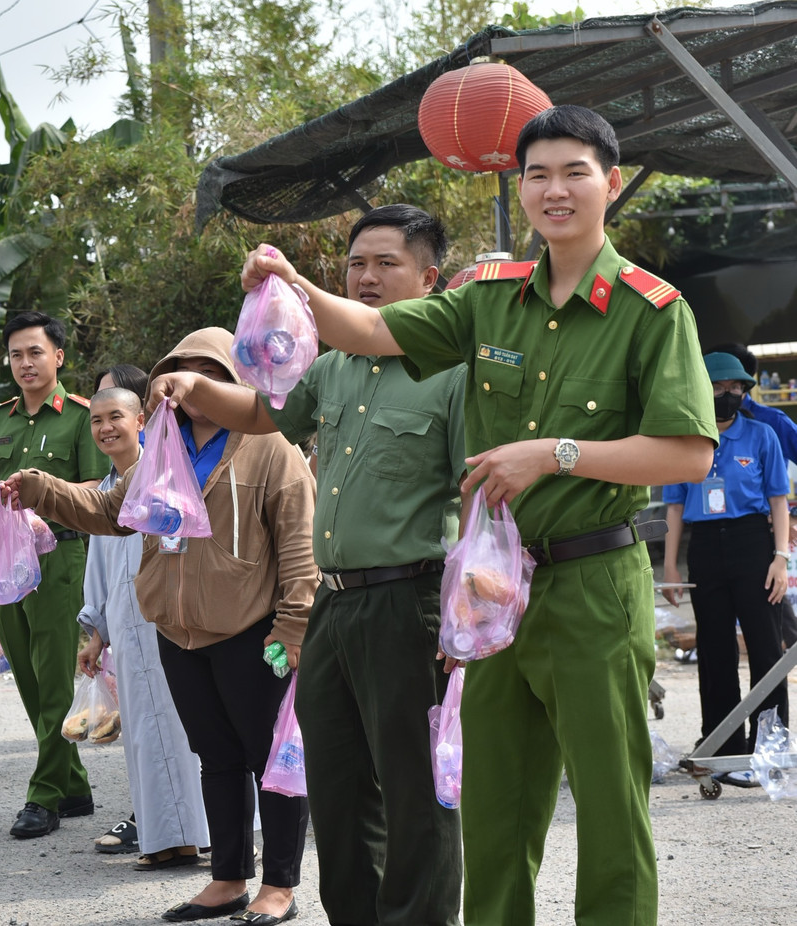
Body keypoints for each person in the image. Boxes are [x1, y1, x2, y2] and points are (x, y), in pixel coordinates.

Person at [222, 105, 716, 925]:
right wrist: (291, 285)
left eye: (574, 172)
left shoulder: (651, 309)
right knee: (492, 811)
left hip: (595, 582)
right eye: (537, 175)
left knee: (610, 808)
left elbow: (686, 454)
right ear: (520, 189)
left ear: (610, 184)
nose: (554, 190)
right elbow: (374, 329)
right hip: (495, 591)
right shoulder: (489, 300)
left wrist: (553, 453)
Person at [148, 204, 466, 924]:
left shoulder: (451, 372)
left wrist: (464, 622)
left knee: (415, 790)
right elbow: (264, 412)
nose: (368, 276)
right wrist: (196, 389)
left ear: (428, 276)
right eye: (357, 263)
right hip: (336, 606)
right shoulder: (332, 368)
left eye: (387, 263)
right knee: (337, 785)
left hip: (409, 601)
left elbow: (477, 499)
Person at [5, 327, 316, 925]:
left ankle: (278, 887)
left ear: (235, 380)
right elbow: (107, 510)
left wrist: (293, 627)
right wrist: (40, 488)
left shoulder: (269, 445)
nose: (193, 384)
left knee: (271, 760)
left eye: (209, 372)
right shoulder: (161, 450)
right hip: (179, 633)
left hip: (255, 633)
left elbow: (300, 546)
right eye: (181, 370)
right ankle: (227, 879)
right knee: (214, 756)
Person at [0, 311, 111, 838]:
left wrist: (41, 513)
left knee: (54, 681)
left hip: (58, 561)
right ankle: (74, 785)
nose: (25, 363)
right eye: (16, 354)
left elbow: (99, 485)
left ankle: (43, 796)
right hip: (3, 567)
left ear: (58, 357)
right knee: (26, 676)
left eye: (35, 352)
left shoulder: (83, 416)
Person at [75, 381, 208, 867]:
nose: (106, 428)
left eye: (115, 417)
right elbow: (102, 571)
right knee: (145, 736)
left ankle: (214, 834)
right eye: (96, 420)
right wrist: (97, 633)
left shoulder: (169, 477)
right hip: (128, 634)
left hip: (172, 625)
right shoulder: (107, 492)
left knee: (192, 730)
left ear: (139, 422)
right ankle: (164, 840)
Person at [662, 352, 789, 785]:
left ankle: (770, 744)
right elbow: (675, 507)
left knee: (765, 646)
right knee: (714, 649)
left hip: (754, 543)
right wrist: (671, 567)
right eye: (719, 387)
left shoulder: (762, 436)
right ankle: (721, 745)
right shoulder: (686, 439)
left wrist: (781, 558)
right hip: (706, 550)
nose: (729, 395)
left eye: (737, 388)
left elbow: (778, 499)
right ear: (702, 389)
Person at [707, 341, 797, 649]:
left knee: (769, 603)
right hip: (719, 534)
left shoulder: (771, 423)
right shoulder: (701, 425)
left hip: (764, 528)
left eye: (732, 384)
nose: (726, 393)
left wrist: (790, 515)